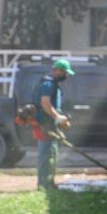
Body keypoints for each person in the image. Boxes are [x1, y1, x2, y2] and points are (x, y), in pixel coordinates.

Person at [33, 58, 75, 190]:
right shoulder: (47, 84)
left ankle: (49, 182)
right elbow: (45, 103)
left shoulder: (54, 85)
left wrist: (60, 120)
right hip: (44, 123)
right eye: (64, 72)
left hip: (51, 124)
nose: (66, 75)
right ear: (57, 70)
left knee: (52, 153)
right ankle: (43, 184)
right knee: (45, 154)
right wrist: (57, 117)